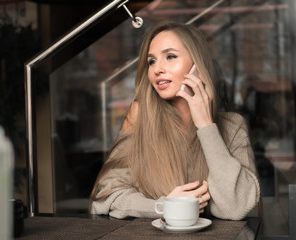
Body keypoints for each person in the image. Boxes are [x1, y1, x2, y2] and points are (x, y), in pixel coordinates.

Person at [90, 21, 260, 220]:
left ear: (198, 65)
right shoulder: (140, 116)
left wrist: (206, 126)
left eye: (170, 57)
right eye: (151, 61)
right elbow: (105, 197)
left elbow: (236, 207)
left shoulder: (232, 126)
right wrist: (163, 207)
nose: (157, 69)